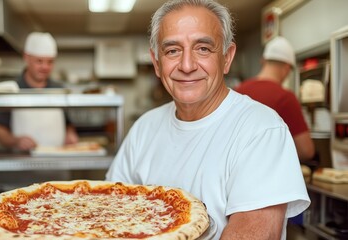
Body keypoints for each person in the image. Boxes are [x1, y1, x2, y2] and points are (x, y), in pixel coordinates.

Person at [105, 0, 310, 239]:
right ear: (156, 63)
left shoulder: (261, 130)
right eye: (172, 50)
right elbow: (111, 213)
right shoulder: (144, 128)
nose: (187, 65)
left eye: (203, 48)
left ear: (227, 57)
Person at [0, 32, 79, 151]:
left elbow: (68, 124)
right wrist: (15, 140)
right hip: (21, 163)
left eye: (50, 62)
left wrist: (70, 135)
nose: (45, 67)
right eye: (39, 61)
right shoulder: (12, 89)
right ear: (26, 58)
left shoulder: (59, 89)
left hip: (57, 164)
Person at [236, 36, 315, 162]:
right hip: (268, 177)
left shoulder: (237, 92)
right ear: (287, 68)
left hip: (235, 176)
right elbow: (306, 151)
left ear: (263, 61)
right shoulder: (285, 98)